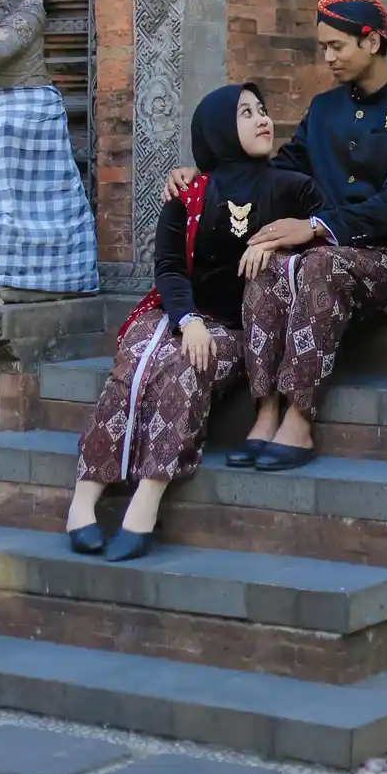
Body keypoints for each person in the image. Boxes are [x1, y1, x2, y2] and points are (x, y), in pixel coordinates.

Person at [165, 0, 387, 471]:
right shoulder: (324, 109)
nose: (328, 57)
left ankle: (298, 418)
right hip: (325, 255)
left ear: (372, 41)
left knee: (318, 265)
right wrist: (206, 179)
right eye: (323, 47)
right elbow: (279, 170)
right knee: (264, 261)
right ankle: (265, 412)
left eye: (337, 46)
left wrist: (315, 224)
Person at [67, 82, 324, 561]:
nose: (263, 119)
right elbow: (168, 268)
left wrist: (278, 241)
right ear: (218, 129)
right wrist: (187, 319)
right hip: (179, 314)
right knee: (139, 359)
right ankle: (83, 500)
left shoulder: (293, 188)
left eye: (262, 110)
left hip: (240, 330)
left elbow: (327, 238)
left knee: (185, 368)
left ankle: (146, 500)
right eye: (246, 113)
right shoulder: (189, 192)